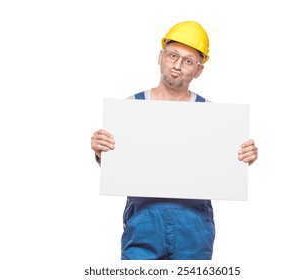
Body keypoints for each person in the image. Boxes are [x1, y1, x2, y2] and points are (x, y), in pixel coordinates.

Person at [91, 21, 258, 260]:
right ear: (161, 57)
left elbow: (226, 170)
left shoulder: (213, 116)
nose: (177, 65)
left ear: (199, 70)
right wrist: (100, 152)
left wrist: (244, 157)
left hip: (194, 226)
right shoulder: (129, 108)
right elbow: (115, 169)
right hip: (144, 222)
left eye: (188, 61)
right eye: (172, 55)